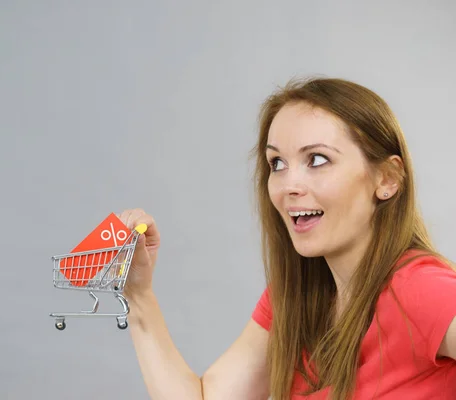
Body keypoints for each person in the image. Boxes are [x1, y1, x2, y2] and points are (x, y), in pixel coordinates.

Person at [116, 77, 456, 400]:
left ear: (387, 178)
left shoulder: (420, 290)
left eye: (317, 160)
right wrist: (138, 293)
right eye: (277, 163)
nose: (289, 185)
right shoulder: (295, 298)